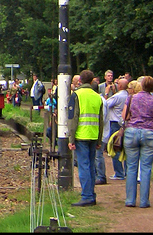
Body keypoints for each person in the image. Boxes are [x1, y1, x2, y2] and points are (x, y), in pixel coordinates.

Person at [121, 76, 153, 208]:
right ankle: (144, 201)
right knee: (146, 168)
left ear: (142, 86)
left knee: (131, 167)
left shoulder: (132, 98)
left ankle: (130, 200)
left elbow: (124, 116)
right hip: (149, 133)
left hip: (132, 132)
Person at [67, 69, 104, 207]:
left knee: (83, 166)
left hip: (81, 135)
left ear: (80, 81)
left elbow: (73, 118)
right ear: (92, 80)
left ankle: (87, 196)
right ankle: (91, 194)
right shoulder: (97, 96)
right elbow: (101, 120)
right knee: (91, 166)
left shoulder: (76, 95)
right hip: (94, 135)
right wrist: (99, 139)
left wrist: (71, 139)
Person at [105, 77, 129, 179]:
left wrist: (106, 93)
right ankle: (128, 172)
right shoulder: (129, 96)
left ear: (119, 86)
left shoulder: (117, 96)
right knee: (126, 148)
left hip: (115, 123)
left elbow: (105, 104)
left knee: (115, 146)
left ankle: (119, 172)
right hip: (126, 123)